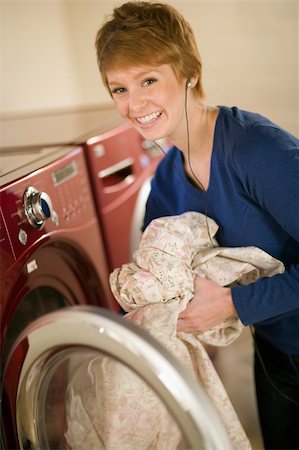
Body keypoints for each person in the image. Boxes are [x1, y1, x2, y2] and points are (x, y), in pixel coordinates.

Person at [94, 2, 299, 449]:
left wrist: (235, 304)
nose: (134, 103)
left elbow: (229, 301)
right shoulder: (167, 182)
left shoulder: (254, 149)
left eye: (148, 80)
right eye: (119, 88)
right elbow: (161, 283)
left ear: (188, 72)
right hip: (277, 350)